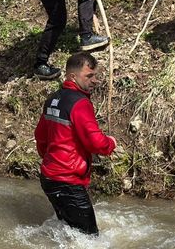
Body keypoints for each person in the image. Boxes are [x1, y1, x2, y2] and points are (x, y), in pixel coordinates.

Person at [34, 52, 117, 235]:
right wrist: (110, 144)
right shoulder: (80, 103)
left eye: (95, 75)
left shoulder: (53, 99)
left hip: (49, 178)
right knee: (91, 239)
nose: (94, 81)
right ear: (73, 76)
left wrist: (51, 159)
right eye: (89, 76)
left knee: (68, 232)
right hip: (68, 181)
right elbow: (95, 142)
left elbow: (40, 136)